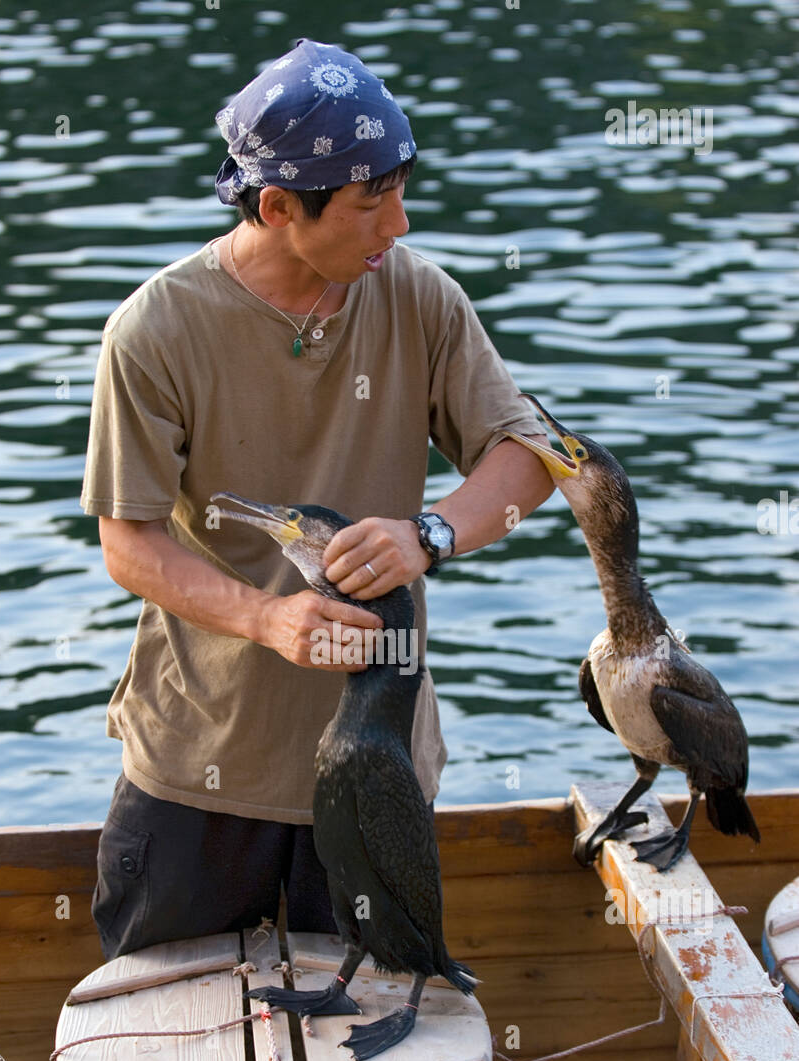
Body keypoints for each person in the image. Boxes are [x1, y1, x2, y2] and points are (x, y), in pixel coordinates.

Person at [80, 38, 552, 960]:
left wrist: (432, 532)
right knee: (161, 1059)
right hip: (196, 775)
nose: (401, 225)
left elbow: (531, 455)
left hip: (378, 774)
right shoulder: (154, 329)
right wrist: (267, 619)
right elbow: (129, 545)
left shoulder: (422, 300)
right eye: (374, 202)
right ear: (278, 206)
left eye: (400, 194)